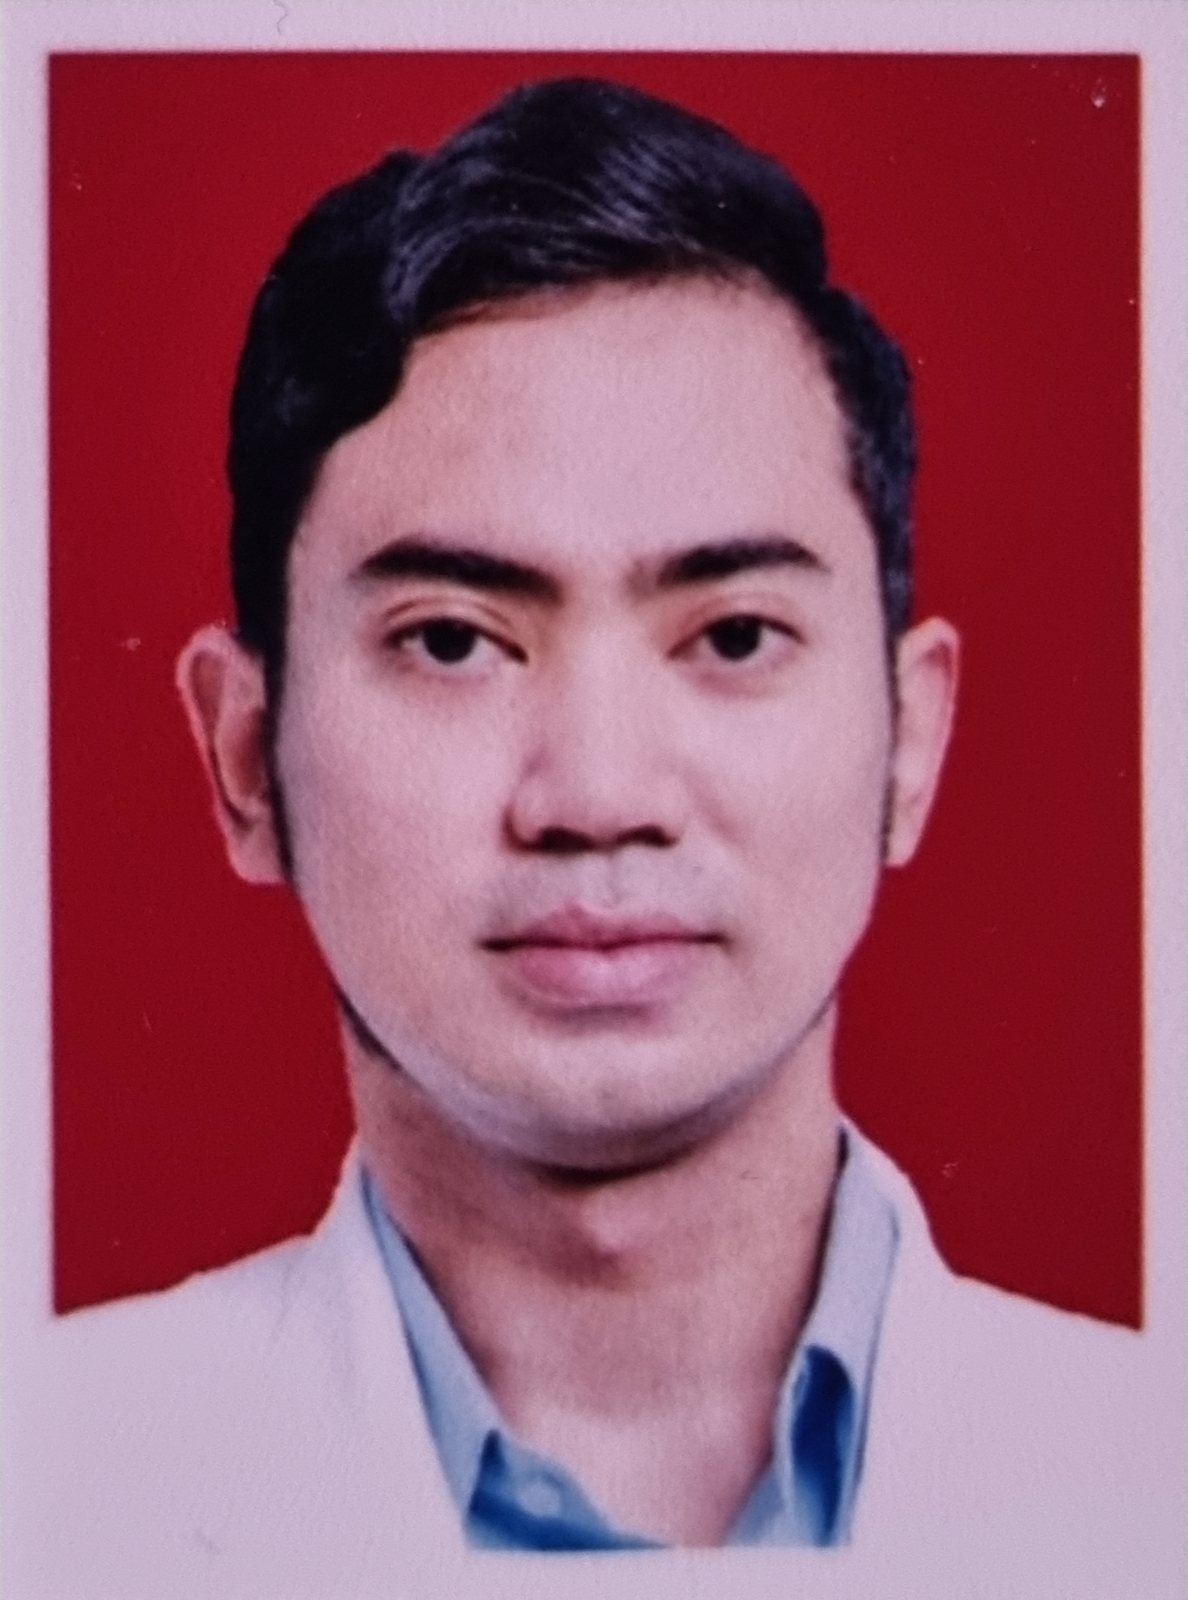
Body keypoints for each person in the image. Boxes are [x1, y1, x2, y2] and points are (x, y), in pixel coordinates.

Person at [32, 76, 1162, 1599]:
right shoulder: (44, 1478)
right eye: (452, 641)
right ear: (245, 757)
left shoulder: (1147, 1468)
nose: (599, 792)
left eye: (736, 634)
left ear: (911, 740)